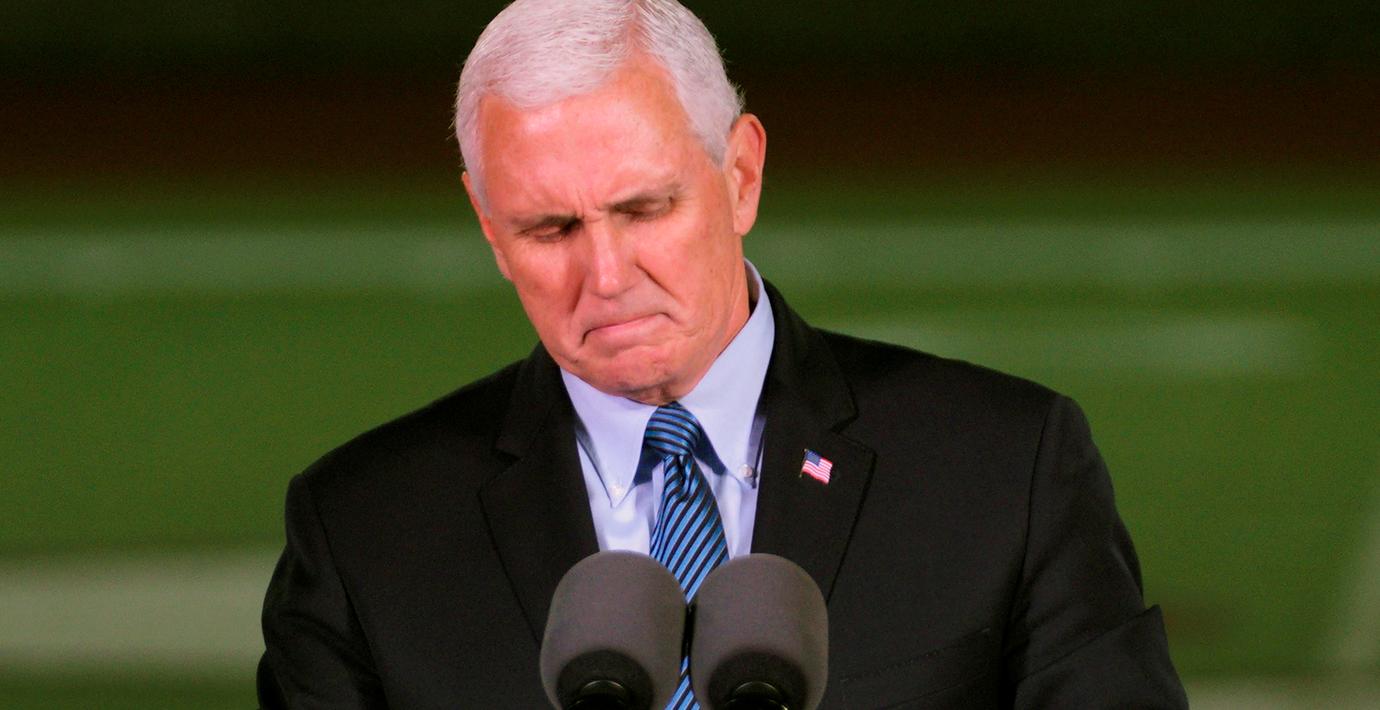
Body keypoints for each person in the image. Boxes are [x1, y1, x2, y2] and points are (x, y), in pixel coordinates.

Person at [257, 1, 1188, 707]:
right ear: (488, 227)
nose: (606, 275)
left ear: (741, 175)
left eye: (644, 209)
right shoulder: (363, 535)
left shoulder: (1007, 470)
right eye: (550, 229)